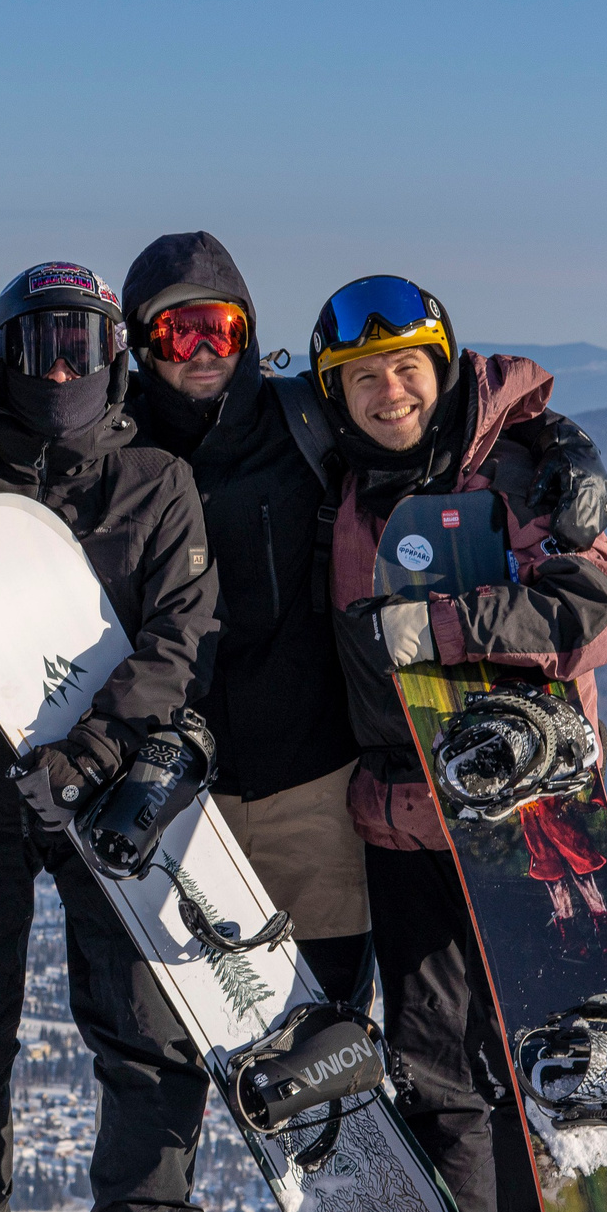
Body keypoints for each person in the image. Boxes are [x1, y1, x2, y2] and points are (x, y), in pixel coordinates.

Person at [0, 261, 222, 1212]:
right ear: (2, 356)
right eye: (39, 344)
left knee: (141, 1017)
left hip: (111, 788)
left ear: (114, 356)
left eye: (81, 344)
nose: (60, 367)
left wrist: (92, 751)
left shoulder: (155, 478)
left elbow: (177, 641)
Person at [312, 272, 607, 1212]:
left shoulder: (520, 471)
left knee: (530, 1043)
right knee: (433, 1059)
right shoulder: (340, 481)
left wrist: (443, 623)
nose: (387, 392)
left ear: (443, 372)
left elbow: (590, 614)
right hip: (401, 816)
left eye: (407, 369)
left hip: (517, 811)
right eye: (361, 378)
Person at [121, 232, 376, 1013]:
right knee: (164, 1061)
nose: (203, 350)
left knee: (327, 1039)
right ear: (140, 344)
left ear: (249, 329)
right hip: (176, 806)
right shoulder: (111, 446)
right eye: (177, 331)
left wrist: (554, 442)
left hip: (314, 790)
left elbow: (431, 426)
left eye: (219, 328)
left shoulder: (307, 426)